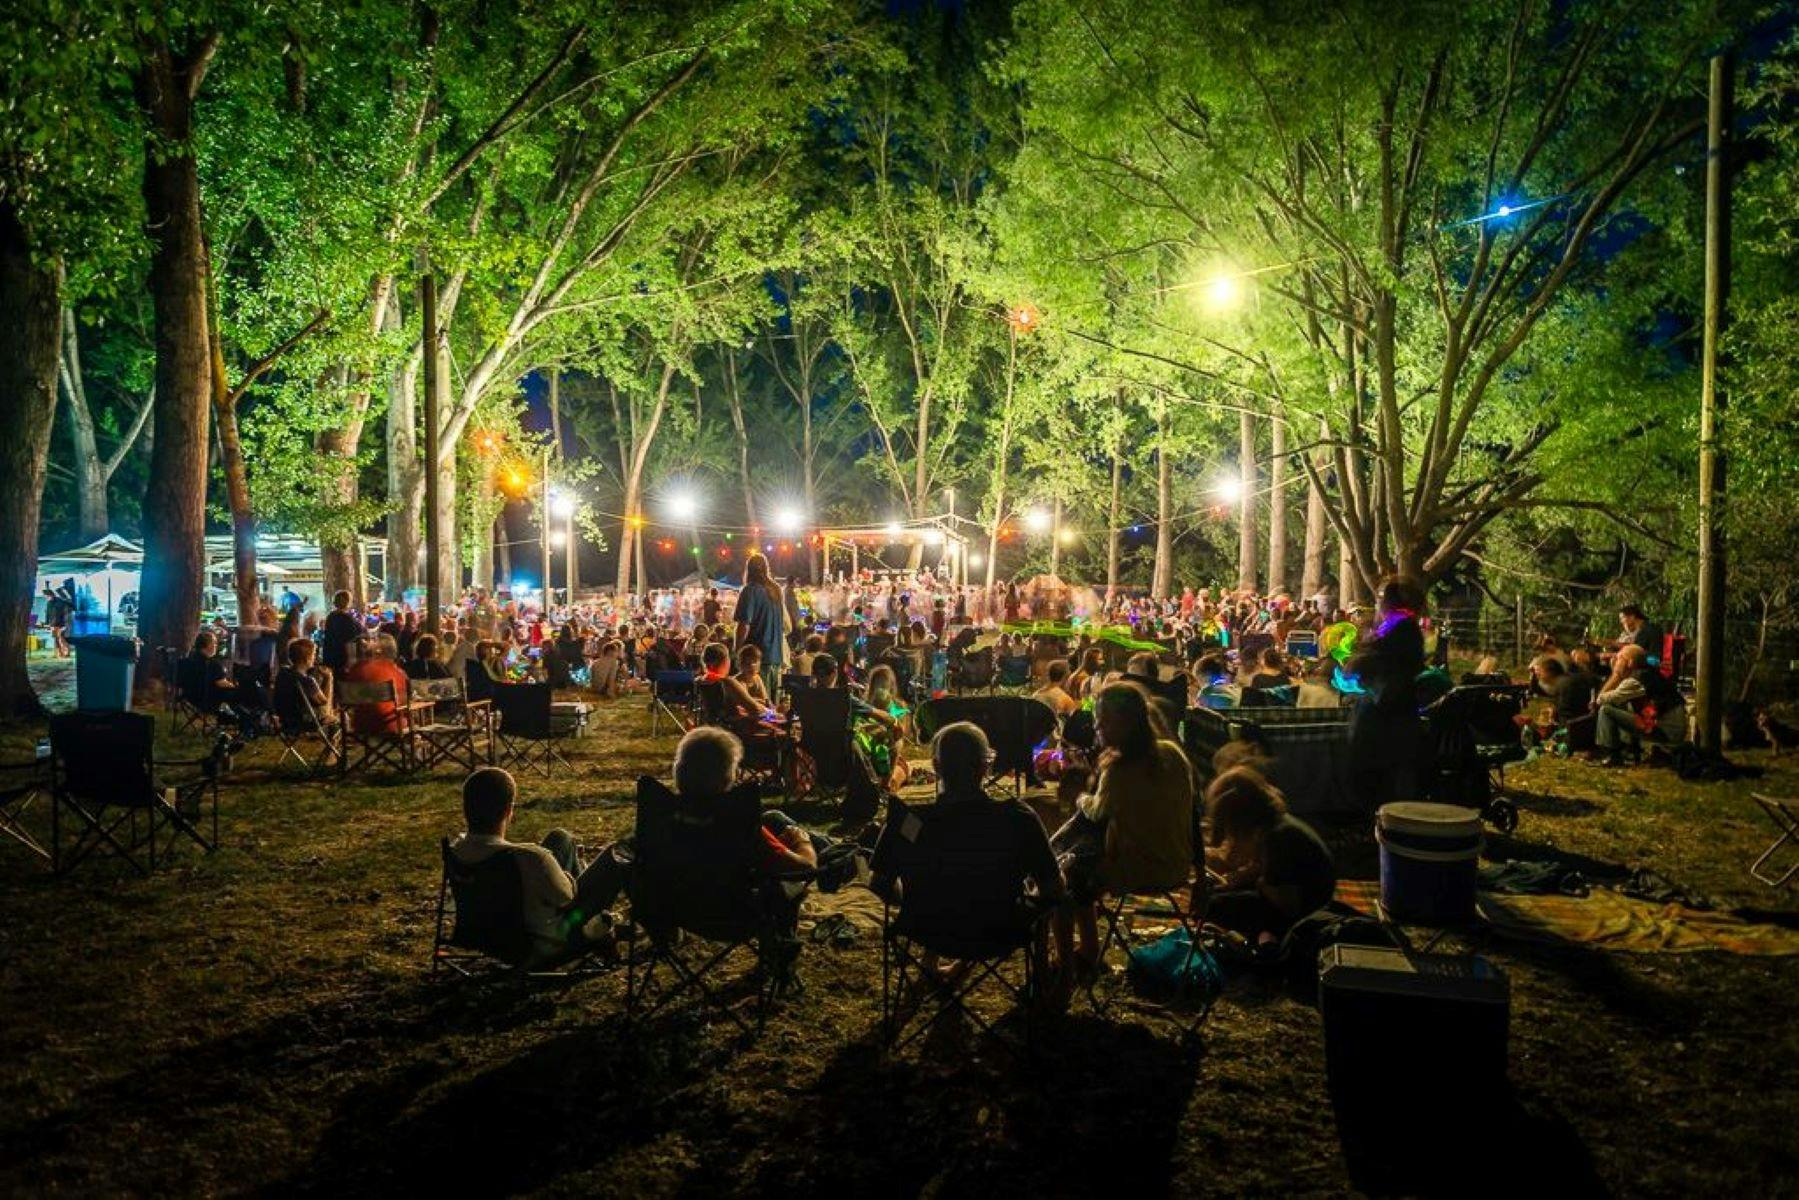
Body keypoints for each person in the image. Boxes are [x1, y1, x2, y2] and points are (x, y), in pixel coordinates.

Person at [869, 722, 1065, 973]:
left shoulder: (912, 823)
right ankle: (1047, 983)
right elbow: (1053, 886)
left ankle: (936, 958)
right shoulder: (1016, 819)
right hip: (1001, 931)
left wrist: (913, 898)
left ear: (936, 766)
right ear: (985, 767)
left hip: (928, 929)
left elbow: (880, 883)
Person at [1051, 682, 1196, 985]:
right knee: (1079, 856)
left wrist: (1079, 795)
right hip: (1179, 862)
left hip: (1139, 868)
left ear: (1127, 723)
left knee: (1064, 878)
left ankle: (1075, 960)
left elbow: (1097, 811)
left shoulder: (1120, 769)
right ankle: (1088, 952)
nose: (1096, 727)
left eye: (1103, 720)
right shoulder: (1172, 753)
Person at [447, 767, 619, 964]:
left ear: (466, 809)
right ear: (509, 811)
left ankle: (603, 932)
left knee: (560, 838)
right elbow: (567, 898)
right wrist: (572, 870)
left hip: (486, 938)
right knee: (615, 855)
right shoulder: (530, 858)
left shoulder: (455, 852)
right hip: (541, 943)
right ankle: (599, 931)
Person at [1203, 766, 1336, 942]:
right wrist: (1240, 879)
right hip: (1297, 899)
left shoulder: (1278, 838)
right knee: (1219, 893)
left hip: (1304, 914)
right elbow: (1265, 870)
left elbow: (1288, 905)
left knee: (1212, 906)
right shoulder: (1274, 824)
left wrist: (1257, 883)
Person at [1345, 577, 1427, 808]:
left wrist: (1359, 663)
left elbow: (1364, 664)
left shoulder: (1398, 628)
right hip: (1393, 714)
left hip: (1383, 718)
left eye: (1380, 598)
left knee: (1379, 783)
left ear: (1388, 602)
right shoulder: (1405, 628)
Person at [1593, 644, 1687, 765]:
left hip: (1666, 733)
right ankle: (1630, 750)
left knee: (1606, 710)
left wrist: (1616, 675)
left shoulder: (1636, 680)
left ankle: (1612, 755)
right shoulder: (1647, 673)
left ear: (1630, 662)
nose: (1615, 661)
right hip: (1668, 729)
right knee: (1619, 705)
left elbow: (1601, 699)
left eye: (1619, 658)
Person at [732, 553, 788, 701]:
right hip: (775, 657)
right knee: (772, 703)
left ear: (748, 570)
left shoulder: (750, 590)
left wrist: (737, 651)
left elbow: (744, 624)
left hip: (755, 658)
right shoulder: (776, 590)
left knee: (757, 703)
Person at [341, 634, 411, 734]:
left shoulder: (355, 669)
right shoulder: (396, 672)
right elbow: (406, 701)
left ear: (379, 650)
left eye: (373, 640)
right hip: (391, 726)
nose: (367, 641)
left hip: (361, 727)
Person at [273, 637, 336, 731]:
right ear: (307, 659)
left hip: (285, 720)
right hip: (305, 722)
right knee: (337, 718)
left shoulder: (283, 673)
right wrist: (328, 678)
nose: (315, 658)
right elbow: (324, 705)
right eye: (313, 655)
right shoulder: (307, 681)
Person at [320, 591, 362, 674]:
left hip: (331, 655)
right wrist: (351, 660)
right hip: (343, 657)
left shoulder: (331, 616)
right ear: (347, 602)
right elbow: (349, 640)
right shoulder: (346, 619)